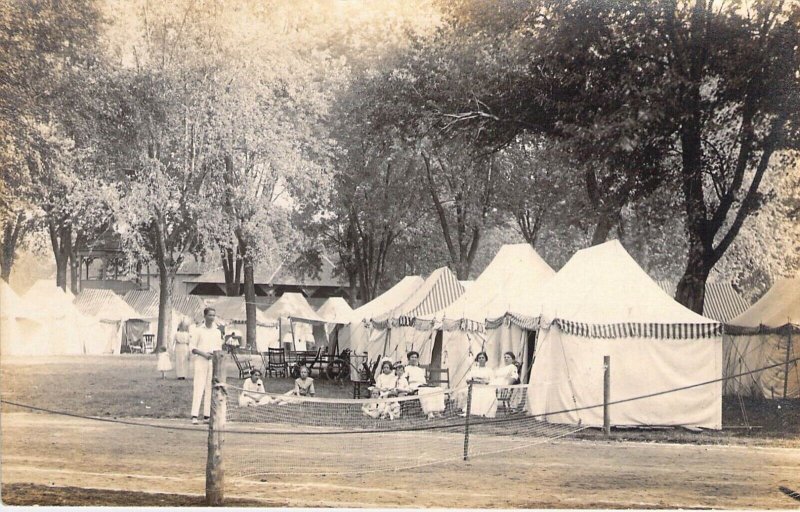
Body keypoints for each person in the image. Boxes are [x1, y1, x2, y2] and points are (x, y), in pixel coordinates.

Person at [190, 307, 224, 425]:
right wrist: (204, 354)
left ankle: (207, 416)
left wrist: (214, 356)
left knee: (210, 388)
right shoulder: (198, 330)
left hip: (212, 362)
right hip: (201, 361)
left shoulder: (217, 331)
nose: (212, 318)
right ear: (204, 316)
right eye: (210, 315)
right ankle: (194, 415)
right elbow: (193, 348)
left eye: (213, 315)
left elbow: (219, 348)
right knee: (199, 387)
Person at [406, 350, 446, 419]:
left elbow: (423, 381)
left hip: (422, 385)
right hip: (413, 386)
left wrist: (426, 385)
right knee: (425, 392)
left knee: (438, 389)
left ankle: (437, 411)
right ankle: (429, 413)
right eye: (412, 357)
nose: (414, 359)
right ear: (409, 359)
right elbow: (404, 380)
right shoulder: (406, 369)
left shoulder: (420, 370)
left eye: (416, 357)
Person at [463, 351, 497, 418]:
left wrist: (484, 382)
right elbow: (468, 379)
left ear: (486, 359)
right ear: (477, 359)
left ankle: (484, 412)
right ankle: (473, 411)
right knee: (473, 392)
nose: (481, 359)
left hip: (485, 387)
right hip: (475, 387)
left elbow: (492, 381)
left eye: (483, 358)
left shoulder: (489, 370)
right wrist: (475, 381)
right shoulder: (474, 369)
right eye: (479, 358)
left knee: (487, 394)